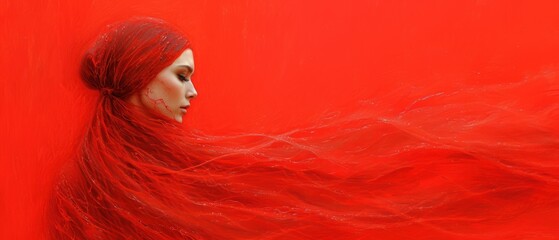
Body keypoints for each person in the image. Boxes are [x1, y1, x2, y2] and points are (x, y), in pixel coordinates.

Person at [47, 17, 559, 240]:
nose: (193, 92)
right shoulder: (84, 189)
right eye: (182, 76)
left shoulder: (179, 172)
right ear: (138, 76)